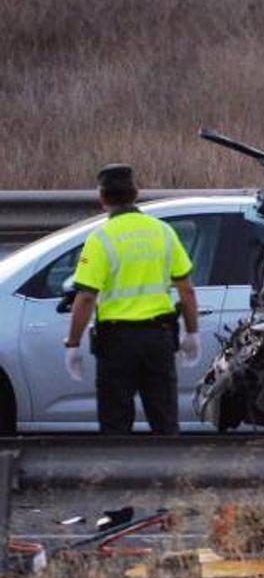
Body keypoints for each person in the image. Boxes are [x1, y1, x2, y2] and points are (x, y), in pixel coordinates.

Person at [62, 164, 200, 435]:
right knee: (164, 421)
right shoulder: (163, 232)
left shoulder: (100, 238)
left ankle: (119, 475)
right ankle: (169, 476)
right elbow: (187, 290)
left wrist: (73, 343)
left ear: (102, 198)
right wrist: (193, 332)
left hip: (116, 344)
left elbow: (86, 297)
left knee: (115, 424)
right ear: (137, 193)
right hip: (158, 340)